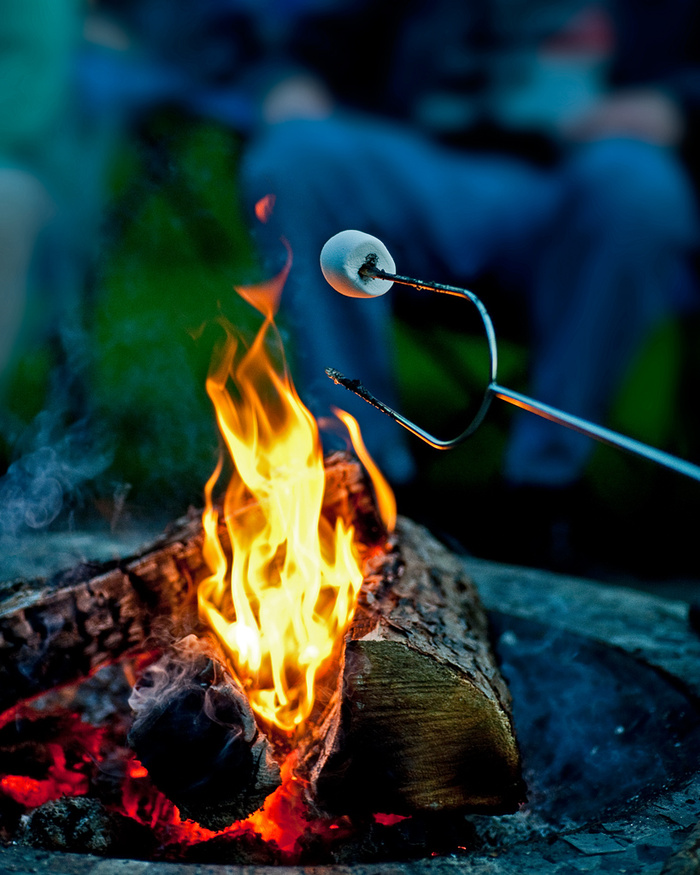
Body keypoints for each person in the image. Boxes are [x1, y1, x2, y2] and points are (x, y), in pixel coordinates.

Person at [239, 0, 700, 558]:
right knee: (298, 157)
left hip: (583, 180)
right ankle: (360, 488)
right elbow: (315, 39)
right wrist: (290, 83)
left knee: (639, 187)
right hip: (415, 166)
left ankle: (544, 494)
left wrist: (676, 102)